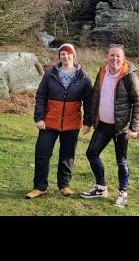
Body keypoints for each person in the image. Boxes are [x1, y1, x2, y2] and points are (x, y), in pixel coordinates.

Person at [26, 43, 93, 199]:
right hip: (49, 121)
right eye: (62, 53)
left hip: (72, 122)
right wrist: (39, 118)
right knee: (42, 153)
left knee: (67, 154)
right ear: (59, 56)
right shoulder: (50, 74)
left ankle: (64, 185)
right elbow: (41, 96)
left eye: (69, 53)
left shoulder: (83, 77)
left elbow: (89, 101)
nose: (66, 56)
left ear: (74, 55)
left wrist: (88, 122)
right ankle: (39, 187)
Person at [80, 44, 139, 207]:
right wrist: (88, 122)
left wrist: (134, 128)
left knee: (121, 160)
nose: (114, 59)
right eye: (112, 56)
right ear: (107, 57)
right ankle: (101, 188)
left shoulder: (129, 76)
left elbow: (138, 102)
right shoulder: (102, 71)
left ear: (123, 59)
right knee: (92, 153)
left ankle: (123, 194)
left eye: (118, 56)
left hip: (120, 128)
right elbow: (94, 96)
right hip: (102, 124)